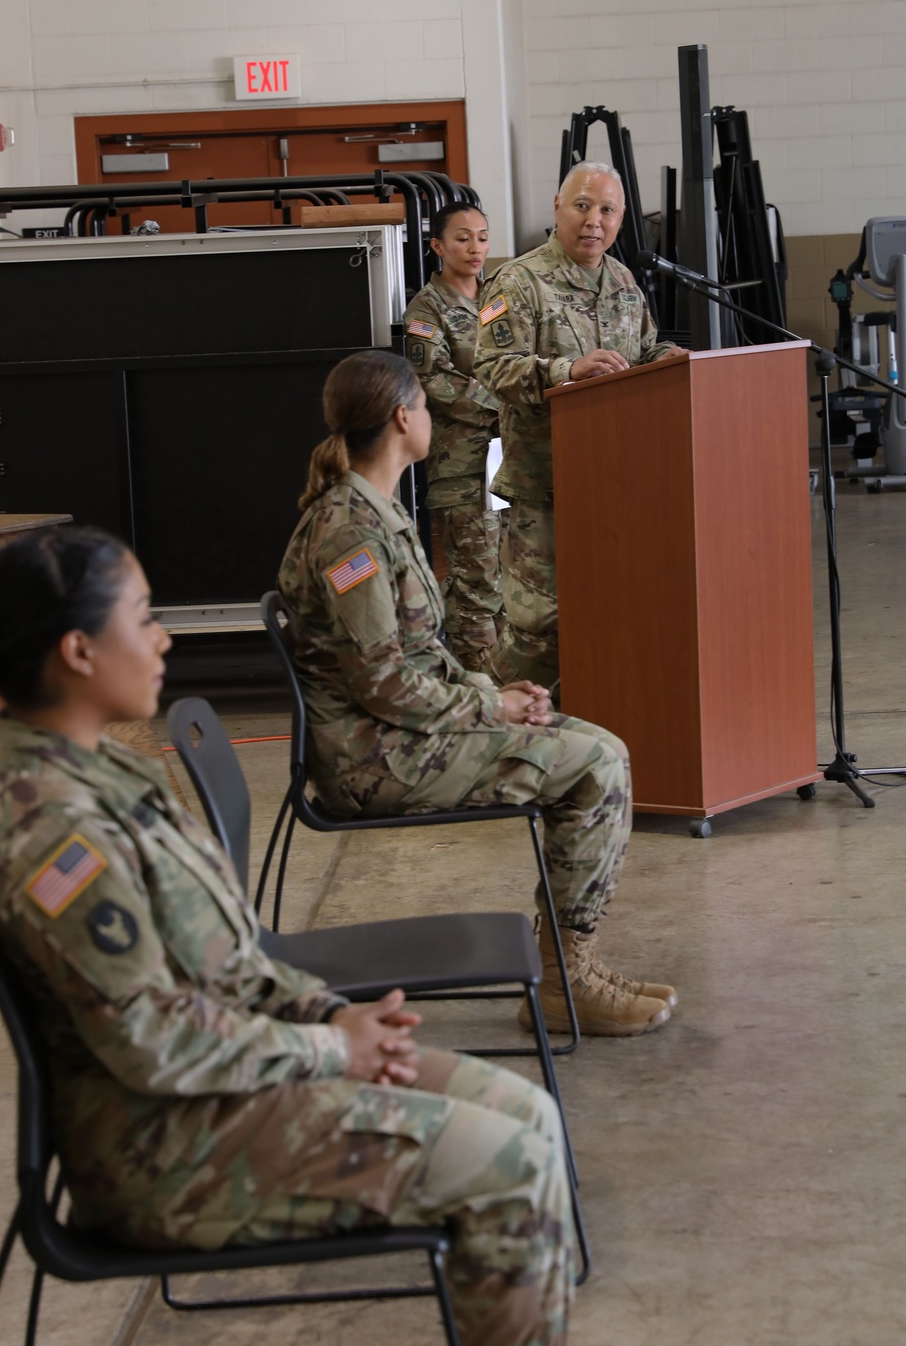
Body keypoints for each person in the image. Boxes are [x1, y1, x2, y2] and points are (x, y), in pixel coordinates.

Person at [0, 525, 574, 1346]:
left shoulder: (102, 770)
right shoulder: (43, 832)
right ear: (77, 651)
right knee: (508, 1170)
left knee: (533, 1121)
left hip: (233, 1089)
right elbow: (153, 1040)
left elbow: (226, 952)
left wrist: (329, 1012)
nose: (163, 640)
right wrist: (332, 1051)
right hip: (167, 1149)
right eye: (144, 619)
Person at [278, 349, 676, 1045]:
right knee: (598, 764)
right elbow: (385, 684)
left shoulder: (373, 510)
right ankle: (566, 980)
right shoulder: (352, 533)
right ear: (404, 418)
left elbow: (419, 653)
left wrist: (491, 688)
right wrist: (493, 710)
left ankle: (566, 970)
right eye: (425, 407)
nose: (429, 416)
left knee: (589, 742)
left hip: (399, 735)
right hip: (375, 760)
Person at [473, 161, 688, 692]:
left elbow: (641, 351)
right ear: (557, 209)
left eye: (607, 210)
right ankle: (480, 719)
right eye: (582, 206)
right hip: (544, 484)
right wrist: (567, 371)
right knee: (541, 629)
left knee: (609, 618)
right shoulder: (518, 281)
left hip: (616, 484)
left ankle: (579, 733)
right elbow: (493, 367)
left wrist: (674, 359)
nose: (594, 221)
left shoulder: (622, 280)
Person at [406, 203, 503, 671]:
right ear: (438, 247)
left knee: (511, 582)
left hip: (510, 463)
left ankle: (514, 688)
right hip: (462, 468)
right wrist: (507, 405)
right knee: (475, 584)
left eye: (482, 237)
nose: (475, 248)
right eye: (463, 238)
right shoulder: (427, 309)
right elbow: (435, 382)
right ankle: (479, 690)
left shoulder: (499, 297)